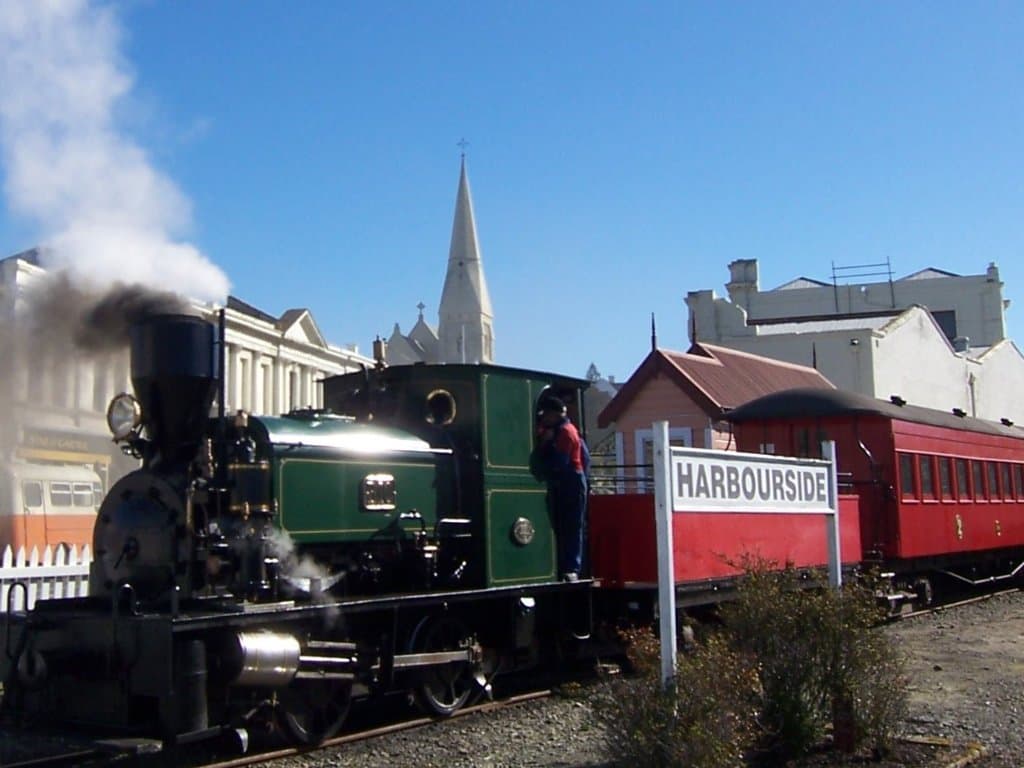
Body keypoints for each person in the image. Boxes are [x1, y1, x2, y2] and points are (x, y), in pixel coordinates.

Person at [530, 395, 588, 582]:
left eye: (545, 415)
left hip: (570, 480)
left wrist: (544, 447)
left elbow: (559, 463)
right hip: (565, 481)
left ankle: (572, 568)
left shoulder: (566, 432)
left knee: (572, 526)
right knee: (562, 526)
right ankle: (564, 565)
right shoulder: (557, 430)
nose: (543, 419)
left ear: (553, 414)